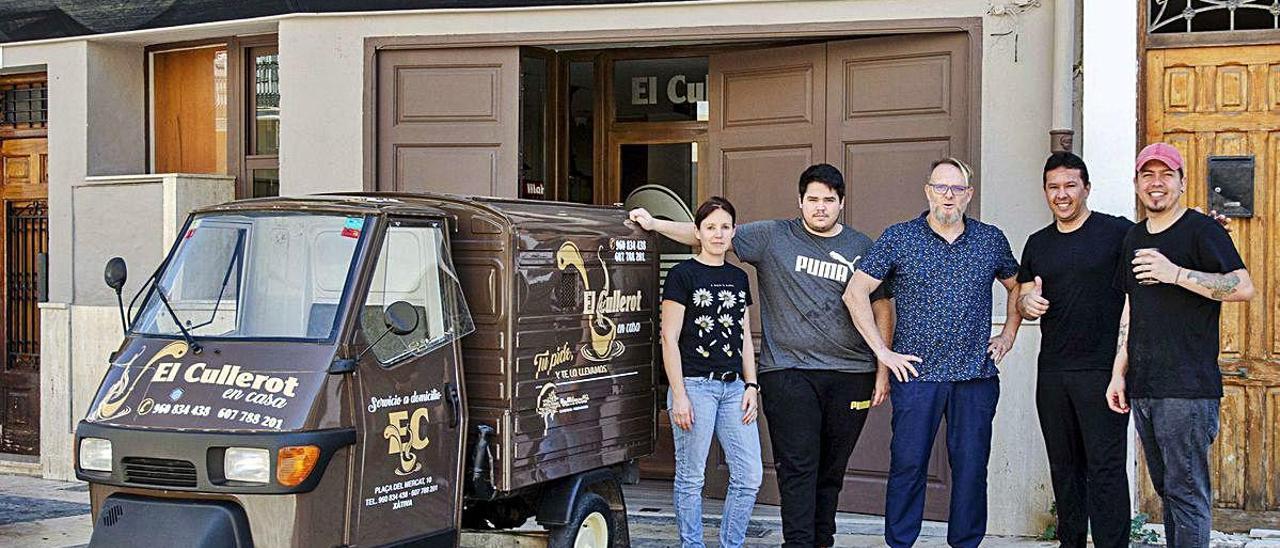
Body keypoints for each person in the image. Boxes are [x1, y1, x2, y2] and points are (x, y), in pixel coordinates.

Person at [631, 164, 893, 548]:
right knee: (798, 468)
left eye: (829, 201)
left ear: (842, 203)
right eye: (813, 200)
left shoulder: (861, 247)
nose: (820, 208)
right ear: (800, 202)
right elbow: (708, 236)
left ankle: (823, 541)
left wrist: (881, 369)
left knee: (831, 471)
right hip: (788, 372)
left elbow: (882, 306)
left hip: (851, 372)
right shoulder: (772, 236)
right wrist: (655, 224)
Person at [843, 157, 1022, 548]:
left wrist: (1008, 333)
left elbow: (1017, 287)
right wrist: (883, 353)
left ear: (968, 195)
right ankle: (901, 542)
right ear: (927, 191)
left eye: (957, 188)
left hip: (975, 377)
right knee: (908, 466)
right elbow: (854, 293)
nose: (948, 195)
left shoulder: (990, 239)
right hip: (916, 376)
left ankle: (966, 542)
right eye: (941, 187)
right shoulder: (898, 237)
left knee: (972, 469)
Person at [1106, 143, 1254, 547]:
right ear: (1136, 183)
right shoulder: (1133, 237)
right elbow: (1131, 307)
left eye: (1166, 175)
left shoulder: (1202, 230)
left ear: (1182, 183)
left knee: (1187, 495)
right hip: (1145, 385)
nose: (1157, 184)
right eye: (1148, 175)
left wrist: (1175, 273)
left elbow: (1242, 288)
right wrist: (1119, 372)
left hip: (1188, 388)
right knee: (1169, 493)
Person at [1016, 152, 1131, 548]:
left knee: (1106, 469)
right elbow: (1025, 296)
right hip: (1053, 373)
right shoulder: (1037, 244)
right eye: (1053, 187)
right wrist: (1026, 304)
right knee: (1064, 469)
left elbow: (1162, 240)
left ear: (1086, 188)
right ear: (1045, 192)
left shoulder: (1117, 233)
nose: (1061, 195)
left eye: (1069, 186)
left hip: (1103, 372)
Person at [660, 196, 762, 548]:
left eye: (724, 227)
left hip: (735, 389)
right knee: (691, 478)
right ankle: (693, 545)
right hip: (694, 386)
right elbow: (669, 339)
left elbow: (744, 335)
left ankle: (729, 544)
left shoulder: (738, 276)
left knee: (749, 475)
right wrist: (680, 396)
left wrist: (752, 384)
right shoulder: (682, 274)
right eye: (710, 227)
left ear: (733, 231)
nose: (718, 234)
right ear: (698, 232)